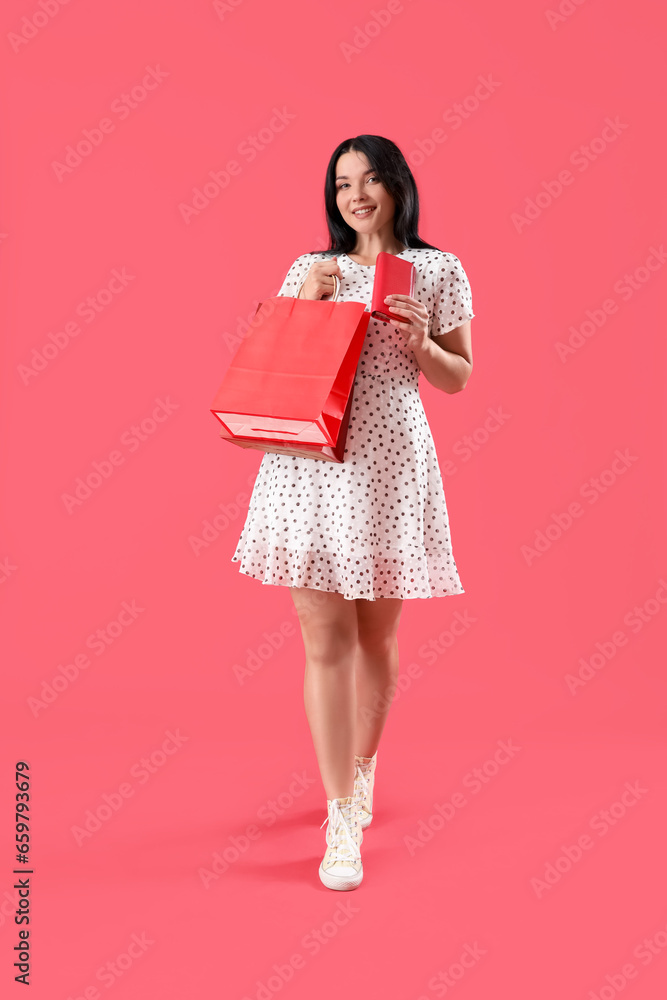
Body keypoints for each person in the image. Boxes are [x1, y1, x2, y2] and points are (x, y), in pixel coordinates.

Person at [230, 134, 474, 891]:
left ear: (398, 185)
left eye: (370, 180)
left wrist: (419, 342)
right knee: (323, 637)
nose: (355, 194)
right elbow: (270, 362)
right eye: (341, 184)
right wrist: (307, 305)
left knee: (376, 632)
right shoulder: (312, 269)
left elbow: (459, 376)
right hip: (310, 467)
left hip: (389, 469)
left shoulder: (437, 269)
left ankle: (363, 769)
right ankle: (341, 817)